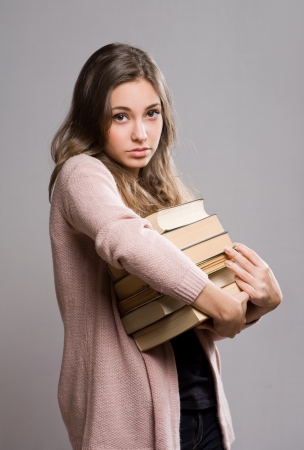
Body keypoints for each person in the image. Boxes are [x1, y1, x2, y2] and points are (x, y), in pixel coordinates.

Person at [49, 43, 282, 450]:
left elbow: (179, 316)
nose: (141, 133)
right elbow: (125, 240)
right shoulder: (80, 175)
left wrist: (261, 302)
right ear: (92, 120)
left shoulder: (157, 191)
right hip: (126, 419)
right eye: (120, 117)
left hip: (198, 408)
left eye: (151, 113)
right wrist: (216, 299)